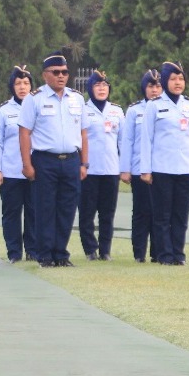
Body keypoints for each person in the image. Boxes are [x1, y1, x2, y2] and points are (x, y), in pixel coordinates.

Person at [19, 51, 89, 268]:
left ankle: (61, 253)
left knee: (67, 209)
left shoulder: (77, 98)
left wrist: (84, 163)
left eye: (65, 72)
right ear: (45, 75)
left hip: (71, 160)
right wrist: (27, 164)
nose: (61, 76)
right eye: (56, 72)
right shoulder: (34, 99)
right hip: (45, 160)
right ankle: (45, 254)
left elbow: (84, 133)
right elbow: (24, 133)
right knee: (45, 208)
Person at [140, 61, 189, 265]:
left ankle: (178, 254)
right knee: (162, 216)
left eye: (181, 78)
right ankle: (165, 255)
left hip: (186, 168)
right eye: (173, 79)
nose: (178, 83)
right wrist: (145, 170)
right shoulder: (154, 105)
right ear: (166, 81)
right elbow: (146, 140)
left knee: (180, 216)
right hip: (162, 169)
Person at [0, 65, 37, 263]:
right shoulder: (3, 112)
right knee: (11, 214)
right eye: (18, 83)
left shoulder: (38, 107)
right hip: (10, 171)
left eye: (26, 83)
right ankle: (14, 252)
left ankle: (33, 250)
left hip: (34, 171)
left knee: (34, 213)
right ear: (12, 87)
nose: (22, 87)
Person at [79, 70, 124, 261]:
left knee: (107, 213)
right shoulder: (83, 109)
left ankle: (105, 250)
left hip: (111, 170)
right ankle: (90, 249)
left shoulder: (117, 111)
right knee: (87, 213)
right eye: (97, 85)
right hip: (89, 170)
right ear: (90, 88)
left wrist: (124, 168)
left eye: (104, 85)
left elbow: (122, 142)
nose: (101, 88)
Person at [119, 70, 162, 262]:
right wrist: (125, 168)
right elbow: (127, 141)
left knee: (159, 212)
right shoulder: (135, 110)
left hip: (161, 168)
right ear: (144, 88)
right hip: (138, 168)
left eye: (158, 86)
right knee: (141, 212)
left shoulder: (165, 108)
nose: (154, 90)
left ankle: (158, 252)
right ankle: (139, 253)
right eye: (151, 86)